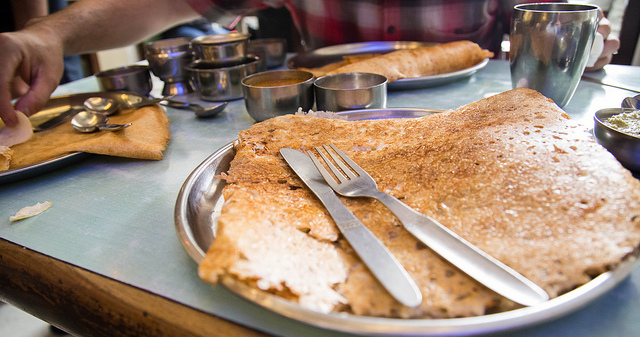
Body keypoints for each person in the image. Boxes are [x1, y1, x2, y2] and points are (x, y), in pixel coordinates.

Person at [0, 0, 619, 129]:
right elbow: (164, 4)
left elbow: (550, 21)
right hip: (321, 126)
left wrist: (580, 43)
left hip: (477, 122)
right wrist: (50, 31)